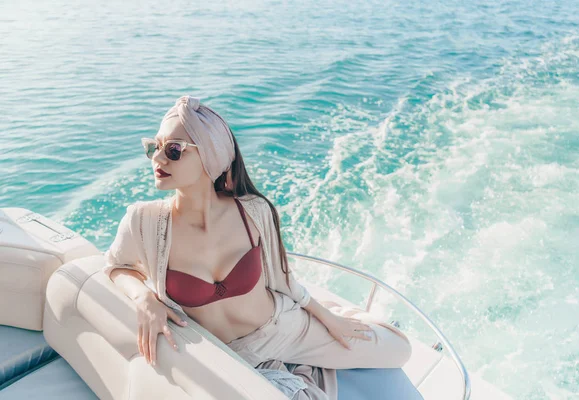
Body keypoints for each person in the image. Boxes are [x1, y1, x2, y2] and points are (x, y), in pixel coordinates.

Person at [103, 95, 413, 399]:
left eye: (173, 150)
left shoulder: (254, 211)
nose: (157, 159)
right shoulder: (143, 221)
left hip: (284, 328)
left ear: (212, 156)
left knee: (400, 350)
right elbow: (116, 266)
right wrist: (143, 296)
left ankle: (342, 314)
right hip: (230, 357)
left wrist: (328, 320)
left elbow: (283, 281)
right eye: (153, 147)